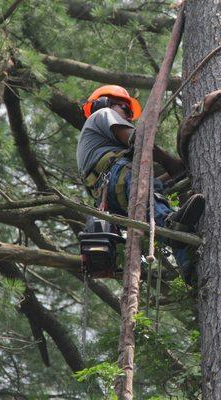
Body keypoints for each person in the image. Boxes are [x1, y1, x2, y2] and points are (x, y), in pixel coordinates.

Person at [77, 85, 203, 283]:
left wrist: (177, 176)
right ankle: (172, 224)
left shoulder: (99, 145)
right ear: (105, 103)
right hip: (119, 176)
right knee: (156, 206)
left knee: (153, 199)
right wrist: (172, 164)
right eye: (125, 110)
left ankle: (189, 265)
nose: (128, 117)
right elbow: (138, 139)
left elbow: (153, 184)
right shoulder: (103, 114)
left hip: (114, 192)